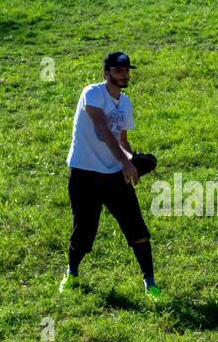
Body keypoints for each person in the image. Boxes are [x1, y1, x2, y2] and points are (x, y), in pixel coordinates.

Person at [62, 52, 161, 301]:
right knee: (84, 233)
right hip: (84, 173)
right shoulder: (92, 93)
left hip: (114, 175)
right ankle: (71, 272)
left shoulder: (125, 102)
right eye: (118, 70)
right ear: (106, 73)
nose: (124, 74)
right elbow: (103, 128)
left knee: (137, 229)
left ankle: (151, 284)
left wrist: (130, 161)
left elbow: (122, 140)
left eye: (127, 70)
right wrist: (123, 162)